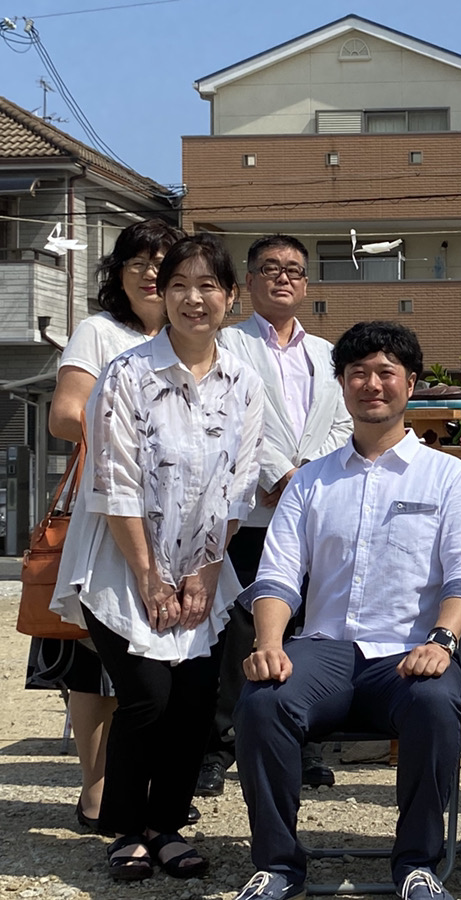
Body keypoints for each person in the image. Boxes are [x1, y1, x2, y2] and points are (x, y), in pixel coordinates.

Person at [231, 321, 461, 900]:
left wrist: (443, 642)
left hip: (411, 652)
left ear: (411, 384)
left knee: (433, 701)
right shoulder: (311, 482)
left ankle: (418, 865)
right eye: (357, 374)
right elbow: (277, 574)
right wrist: (269, 643)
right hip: (324, 650)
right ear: (342, 385)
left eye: (385, 373)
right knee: (263, 700)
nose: (371, 385)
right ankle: (277, 865)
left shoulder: (448, 476)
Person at [50, 233, 265, 881]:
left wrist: (201, 573)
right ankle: (124, 828)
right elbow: (114, 480)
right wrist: (150, 576)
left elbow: (239, 485)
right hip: (123, 565)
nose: (193, 299)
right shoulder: (127, 373)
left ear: (230, 298)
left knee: (195, 704)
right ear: (161, 294)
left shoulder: (244, 383)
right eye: (179, 286)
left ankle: (164, 826)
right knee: (144, 698)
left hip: (202, 566)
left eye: (208, 287)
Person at [27, 219, 185, 836]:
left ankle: (140, 788)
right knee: (99, 661)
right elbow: (66, 417)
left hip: (176, 524)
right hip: (107, 515)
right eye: (137, 262)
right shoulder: (101, 332)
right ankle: (95, 792)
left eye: (165, 262)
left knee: (155, 662)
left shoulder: (191, 341)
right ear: (118, 274)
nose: (151, 272)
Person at [196, 234, 352, 798]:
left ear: (307, 284)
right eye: (270, 269)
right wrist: (279, 475)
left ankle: (298, 738)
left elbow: (341, 424)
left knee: (305, 625)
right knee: (239, 627)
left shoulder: (328, 354)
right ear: (250, 281)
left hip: (312, 508)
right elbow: (231, 420)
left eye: (294, 270)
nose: (283, 278)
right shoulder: (227, 345)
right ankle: (216, 747)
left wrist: (308, 475)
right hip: (253, 512)